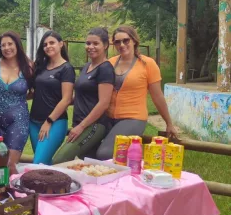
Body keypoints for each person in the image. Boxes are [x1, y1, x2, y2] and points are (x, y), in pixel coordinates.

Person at [96, 25, 178, 160]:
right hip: (108, 116)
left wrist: (168, 123)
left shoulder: (148, 64)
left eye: (126, 40)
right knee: (89, 150)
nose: (122, 45)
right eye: (117, 42)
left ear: (134, 40)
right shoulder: (110, 63)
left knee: (105, 153)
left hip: (133, 117)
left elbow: (157, 96)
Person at [52, 28, 115, 164]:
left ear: (105, 45)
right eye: (87, 43)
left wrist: (81, 126)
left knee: (60, 160)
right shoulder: (87, 66)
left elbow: (104, 103)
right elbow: (82, 95)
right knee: (87, 163)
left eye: (95, 43)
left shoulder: (105, 68)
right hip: (79, 122)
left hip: (93, 125)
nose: (90, 47)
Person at [0, 31, 33, 174]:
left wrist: (17, 99)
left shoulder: (28, 66)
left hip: (18, 120)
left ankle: (13, 195)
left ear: (17, 45)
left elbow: (34, 91)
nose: (7, 48)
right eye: (3, 45)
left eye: (10, 44)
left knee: (10, 165)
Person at [29, 31, 75, 165]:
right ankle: (51, 186)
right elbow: (34, 92)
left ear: (61, 44)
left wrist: (49, 121)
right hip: (34, 122)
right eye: (45, 44)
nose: (48, 46)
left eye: (52, 43)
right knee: (45, 163)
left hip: (54, 123)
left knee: (38, 163)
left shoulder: (66, 68)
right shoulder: (40, 67)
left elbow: (66, 99)